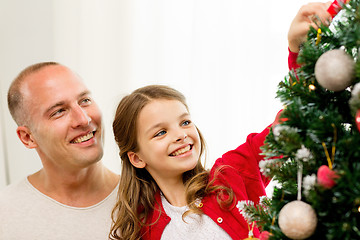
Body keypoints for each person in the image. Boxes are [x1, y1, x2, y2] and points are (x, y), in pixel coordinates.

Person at [109, 2, 333, 240]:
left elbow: (291, 124)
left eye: (184, 122)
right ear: (137, 157)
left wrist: (298, 49)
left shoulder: (230, 176)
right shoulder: (142, 228)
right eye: (160, 132)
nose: (180, 134)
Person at [0, 62, 119, 240]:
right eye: (59, 111)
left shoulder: (151, 200)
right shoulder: (5, 213)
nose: (84, 119)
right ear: (27, 137)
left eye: (85, 101)